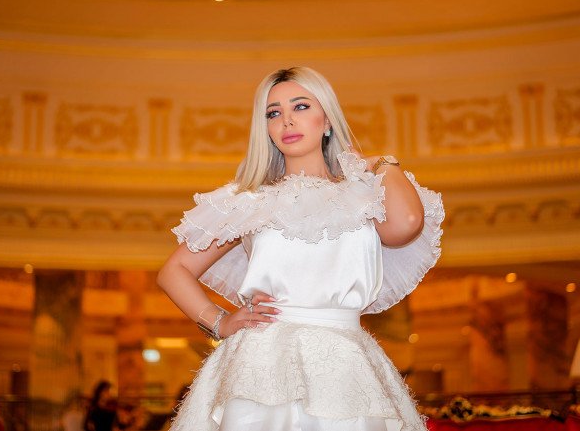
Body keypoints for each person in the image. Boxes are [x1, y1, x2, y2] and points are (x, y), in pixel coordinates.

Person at [157, 67, 445, 431]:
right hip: (260, 366)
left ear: (327, 120)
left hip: (347, 364)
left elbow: (406, 225)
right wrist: (219, 321)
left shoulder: (362, 192)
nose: (286, 121)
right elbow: (173, 272)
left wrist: (381, 164)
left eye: (301, 106)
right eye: (273, 113)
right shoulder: (249, 200)